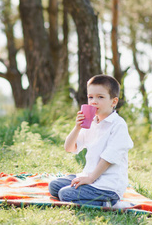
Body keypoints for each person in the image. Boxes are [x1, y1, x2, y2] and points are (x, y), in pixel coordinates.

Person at [49, 74, 133, 207]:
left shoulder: (118, 125)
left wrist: (90, 178)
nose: (94, 101)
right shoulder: (92, 122)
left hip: (107, 186)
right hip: (90, 177)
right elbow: (69, 148)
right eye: (90, 97)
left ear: (114, 102)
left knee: (65, 194)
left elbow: (108, 158)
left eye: (100, 97)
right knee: (54, 186)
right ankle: (89, 192)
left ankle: (109, 202)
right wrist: (77, 127)